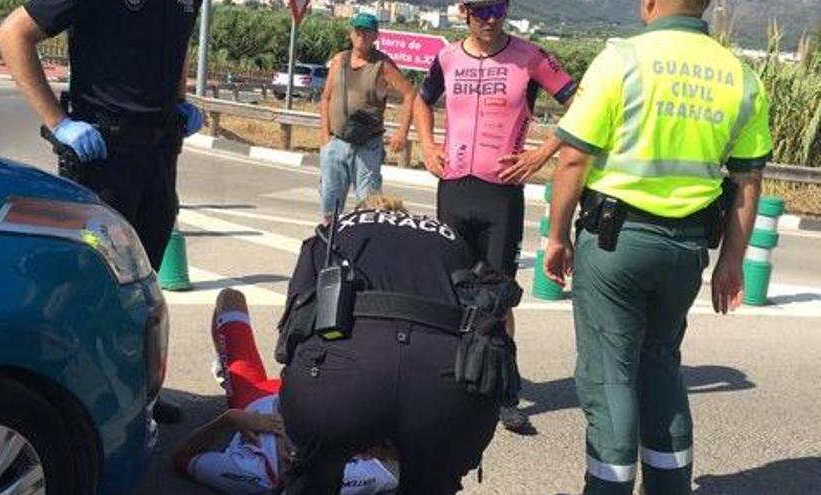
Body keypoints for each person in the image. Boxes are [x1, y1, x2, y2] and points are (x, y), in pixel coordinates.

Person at [543, 0, 772, 493]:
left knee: (610, 374)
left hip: (615, 243)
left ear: (649, 3)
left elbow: (573, 161)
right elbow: (748, 180)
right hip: (686, 249)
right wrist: (731, 262)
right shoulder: (741, 76)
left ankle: (609, 486)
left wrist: (558, 237)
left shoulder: (622, 59)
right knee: (662, 364)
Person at [0, 0, 205, 422]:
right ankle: (80, 405)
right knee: (91, 289)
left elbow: (176, 44)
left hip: (159, 152)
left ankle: (140, 393)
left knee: (143, 287)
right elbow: (12, 34)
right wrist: (59, 122)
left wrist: (179, 100)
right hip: (103, 153)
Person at [276, 193, 521, 494]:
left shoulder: (332, 233)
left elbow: (293, 327)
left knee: (313, 472)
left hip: (340, 381)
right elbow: (497, 316)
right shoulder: (450, 238)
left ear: (359, 213)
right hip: (445, 384)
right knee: (432, 478)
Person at [413, 0, 577, 433]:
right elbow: (420, 99)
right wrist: (428, 146)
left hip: (500, 193)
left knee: (498, 296)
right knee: (451, 289)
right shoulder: (447, 57)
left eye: (499, 8)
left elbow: (580, 104)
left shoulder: (530, 56)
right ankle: (451, 383)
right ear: (465, 10)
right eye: (483, 9)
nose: (491, 19)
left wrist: (541, 153)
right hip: (454, 187)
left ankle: (504, 393)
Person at [172, 288, 398, 495]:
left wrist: (230, 419)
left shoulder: (252, 477)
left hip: (254, 398)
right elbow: (404, 459)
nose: (292, 459)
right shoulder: (355, 479)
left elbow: (182, 457)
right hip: (319, 389)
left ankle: (226, 366)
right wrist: (372, 445)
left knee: (231, 298)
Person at [318, 13, 417, 224]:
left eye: (367, 32)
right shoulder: (339, 61)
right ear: (351, 33)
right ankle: (328, 244)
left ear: (375, 37)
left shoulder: (382, 65)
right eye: (358, 30)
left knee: (369, 205)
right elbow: (325, 98)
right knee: (330, 204)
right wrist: (325, 137)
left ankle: (364, 249)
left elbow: (409, 94)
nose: (361, 35)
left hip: (367, 144)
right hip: (336, 142)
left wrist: (402, 132)